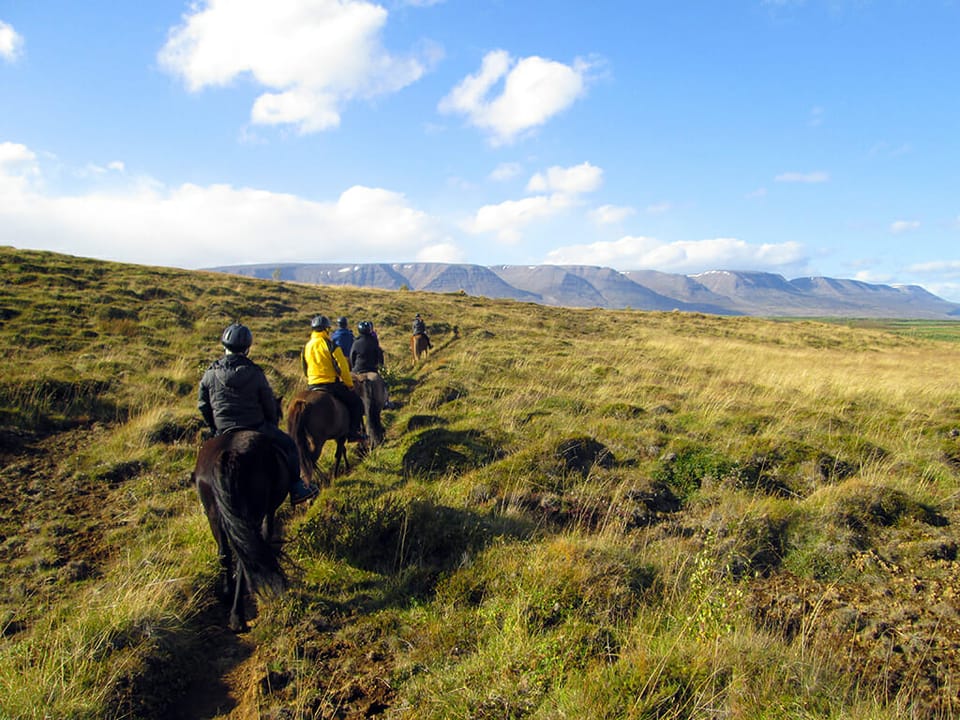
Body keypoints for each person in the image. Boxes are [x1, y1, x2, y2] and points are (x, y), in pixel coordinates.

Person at [198, 322, 318, 505]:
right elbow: (268, 403)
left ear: (224, 346)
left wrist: (214, 427)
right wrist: (271, 422)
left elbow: (203, 406)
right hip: (255, 426)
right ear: (247, 348)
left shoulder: (209, 374)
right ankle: (297, 487)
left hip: (223, 428)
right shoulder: (255, 373)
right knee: (289, 445)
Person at [301, 315, 366, 442]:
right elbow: (343, 368)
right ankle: (353, 433)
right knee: (357, 403)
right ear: (325, 330)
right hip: (330, 385)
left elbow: (304, 369)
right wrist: (349, 384)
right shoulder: (330, 345)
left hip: (312, 385)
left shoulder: (306, 347)